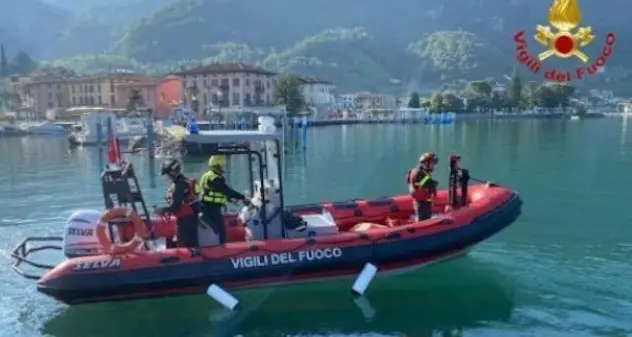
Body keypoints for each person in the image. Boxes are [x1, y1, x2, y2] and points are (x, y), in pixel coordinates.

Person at [199, 155, 250, 245]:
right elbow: (226, 190)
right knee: (221, 230)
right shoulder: (216, 178)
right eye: (222, 165)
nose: (223, 167)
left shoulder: (207, 175)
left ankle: (218, 247)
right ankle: (221, 249)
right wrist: (243, 197)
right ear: (217, 165)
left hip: (206, 206)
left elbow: (216, 192)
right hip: (212, 208)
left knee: (216, 229)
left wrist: (231, 200)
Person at [155, 159, 201, 248]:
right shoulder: (182, 181)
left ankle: (190, 259)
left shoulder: (179, 185)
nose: (167, 177)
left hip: (186, 220)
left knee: (183, 244)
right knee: (191, 241)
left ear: (172, 172)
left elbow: (175, 205)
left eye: (167, 174)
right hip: (189, 218)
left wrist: (162, 210)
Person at [407, 152, 439, 221]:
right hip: (423, 202)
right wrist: (434, 184)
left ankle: (418, 218)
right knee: (424, 218)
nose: (433, 166)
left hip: (418, 201)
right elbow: (429, 185)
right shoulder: (420, 174)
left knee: (422, 212)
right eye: (432, 164)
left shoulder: (416, 171)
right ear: (426, 163)